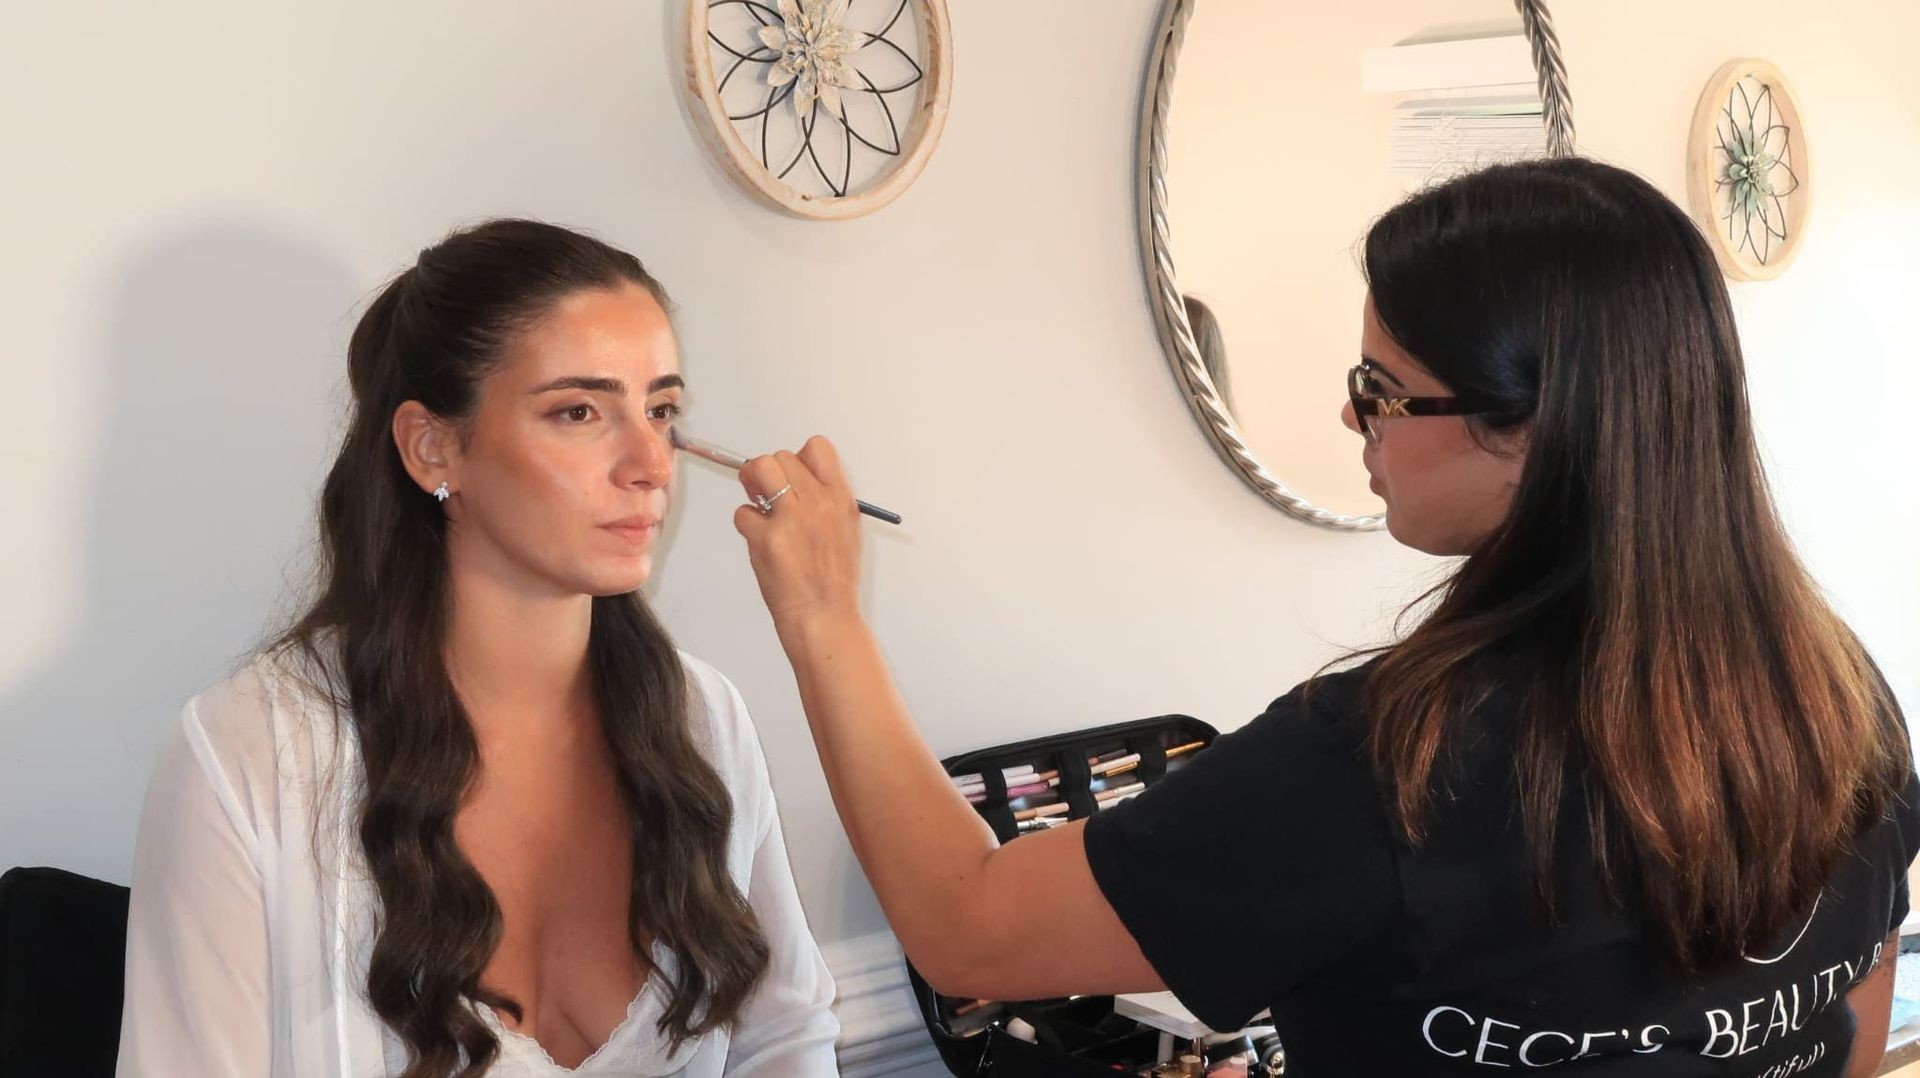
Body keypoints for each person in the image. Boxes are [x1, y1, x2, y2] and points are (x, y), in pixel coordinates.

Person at [728, 158, 1920, 1076]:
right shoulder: (1835, 691)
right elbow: (1852, 1017)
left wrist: (823, 616)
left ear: (1525, 430)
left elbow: (968, 929)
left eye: (1379, 390)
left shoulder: (1385, 765)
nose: (1354, 420)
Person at [116, 220, 839, 1077]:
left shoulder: (701, 720)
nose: (650, 462)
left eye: (661, 410)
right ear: (433, 448)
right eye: (579, 411)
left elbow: (784, 1039)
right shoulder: (248, 756)